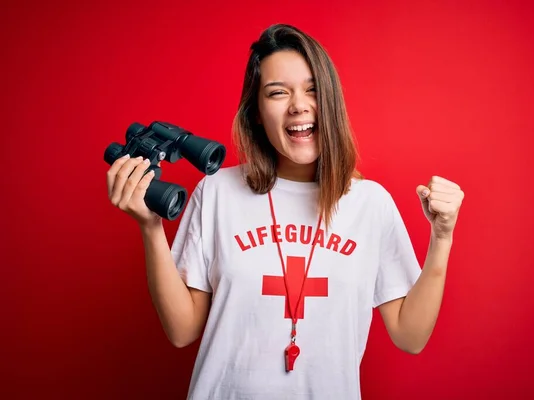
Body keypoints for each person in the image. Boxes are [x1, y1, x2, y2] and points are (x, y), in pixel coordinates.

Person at [106, 23, 465, 400]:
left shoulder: (370, 204)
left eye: (312, 89)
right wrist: (150, 228)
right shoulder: (216, 193)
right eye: (278, 92)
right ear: (257, 113)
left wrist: (442, 238)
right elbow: (181, 330)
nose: (298, 104)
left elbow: (410, 336)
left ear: (330, 101)